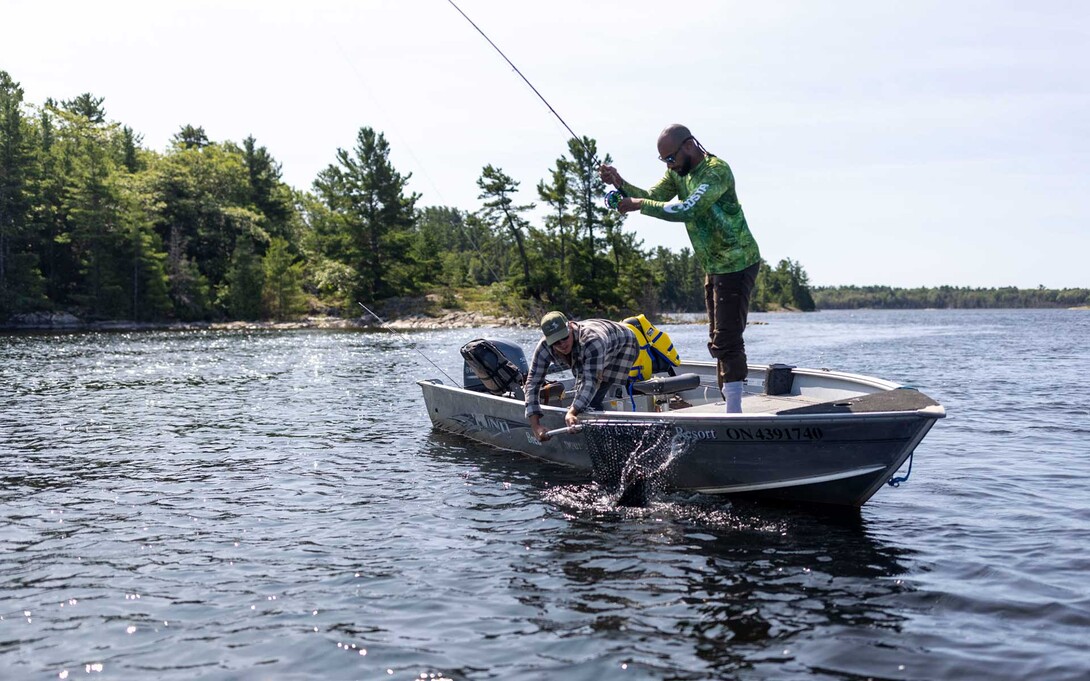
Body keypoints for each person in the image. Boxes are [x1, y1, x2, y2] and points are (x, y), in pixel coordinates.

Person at [599, 124, 761, 413]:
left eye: (670, 158)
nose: (669, 166)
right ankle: (731, 403)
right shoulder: (678, 173)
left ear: (689, 146)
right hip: (714, 266)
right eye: (664, 161)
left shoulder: (715, 172)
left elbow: (687, 209)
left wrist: (638, 204)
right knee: (716, 339)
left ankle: (735, 412)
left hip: (737, 262)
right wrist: (620, 183)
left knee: (727, 339)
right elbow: (653, 196)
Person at [525, 311, 638, 441]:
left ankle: (607, 438)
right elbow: (533, 382)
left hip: (623, 345)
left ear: (570, 328)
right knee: (582, 397)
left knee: (593, 399)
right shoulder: (544, 347)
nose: (562, 344)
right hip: (595, 345)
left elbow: (591, 380)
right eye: (556, 342)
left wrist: (572, 412)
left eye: (564, 337)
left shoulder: (592, 340)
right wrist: (535, 426)